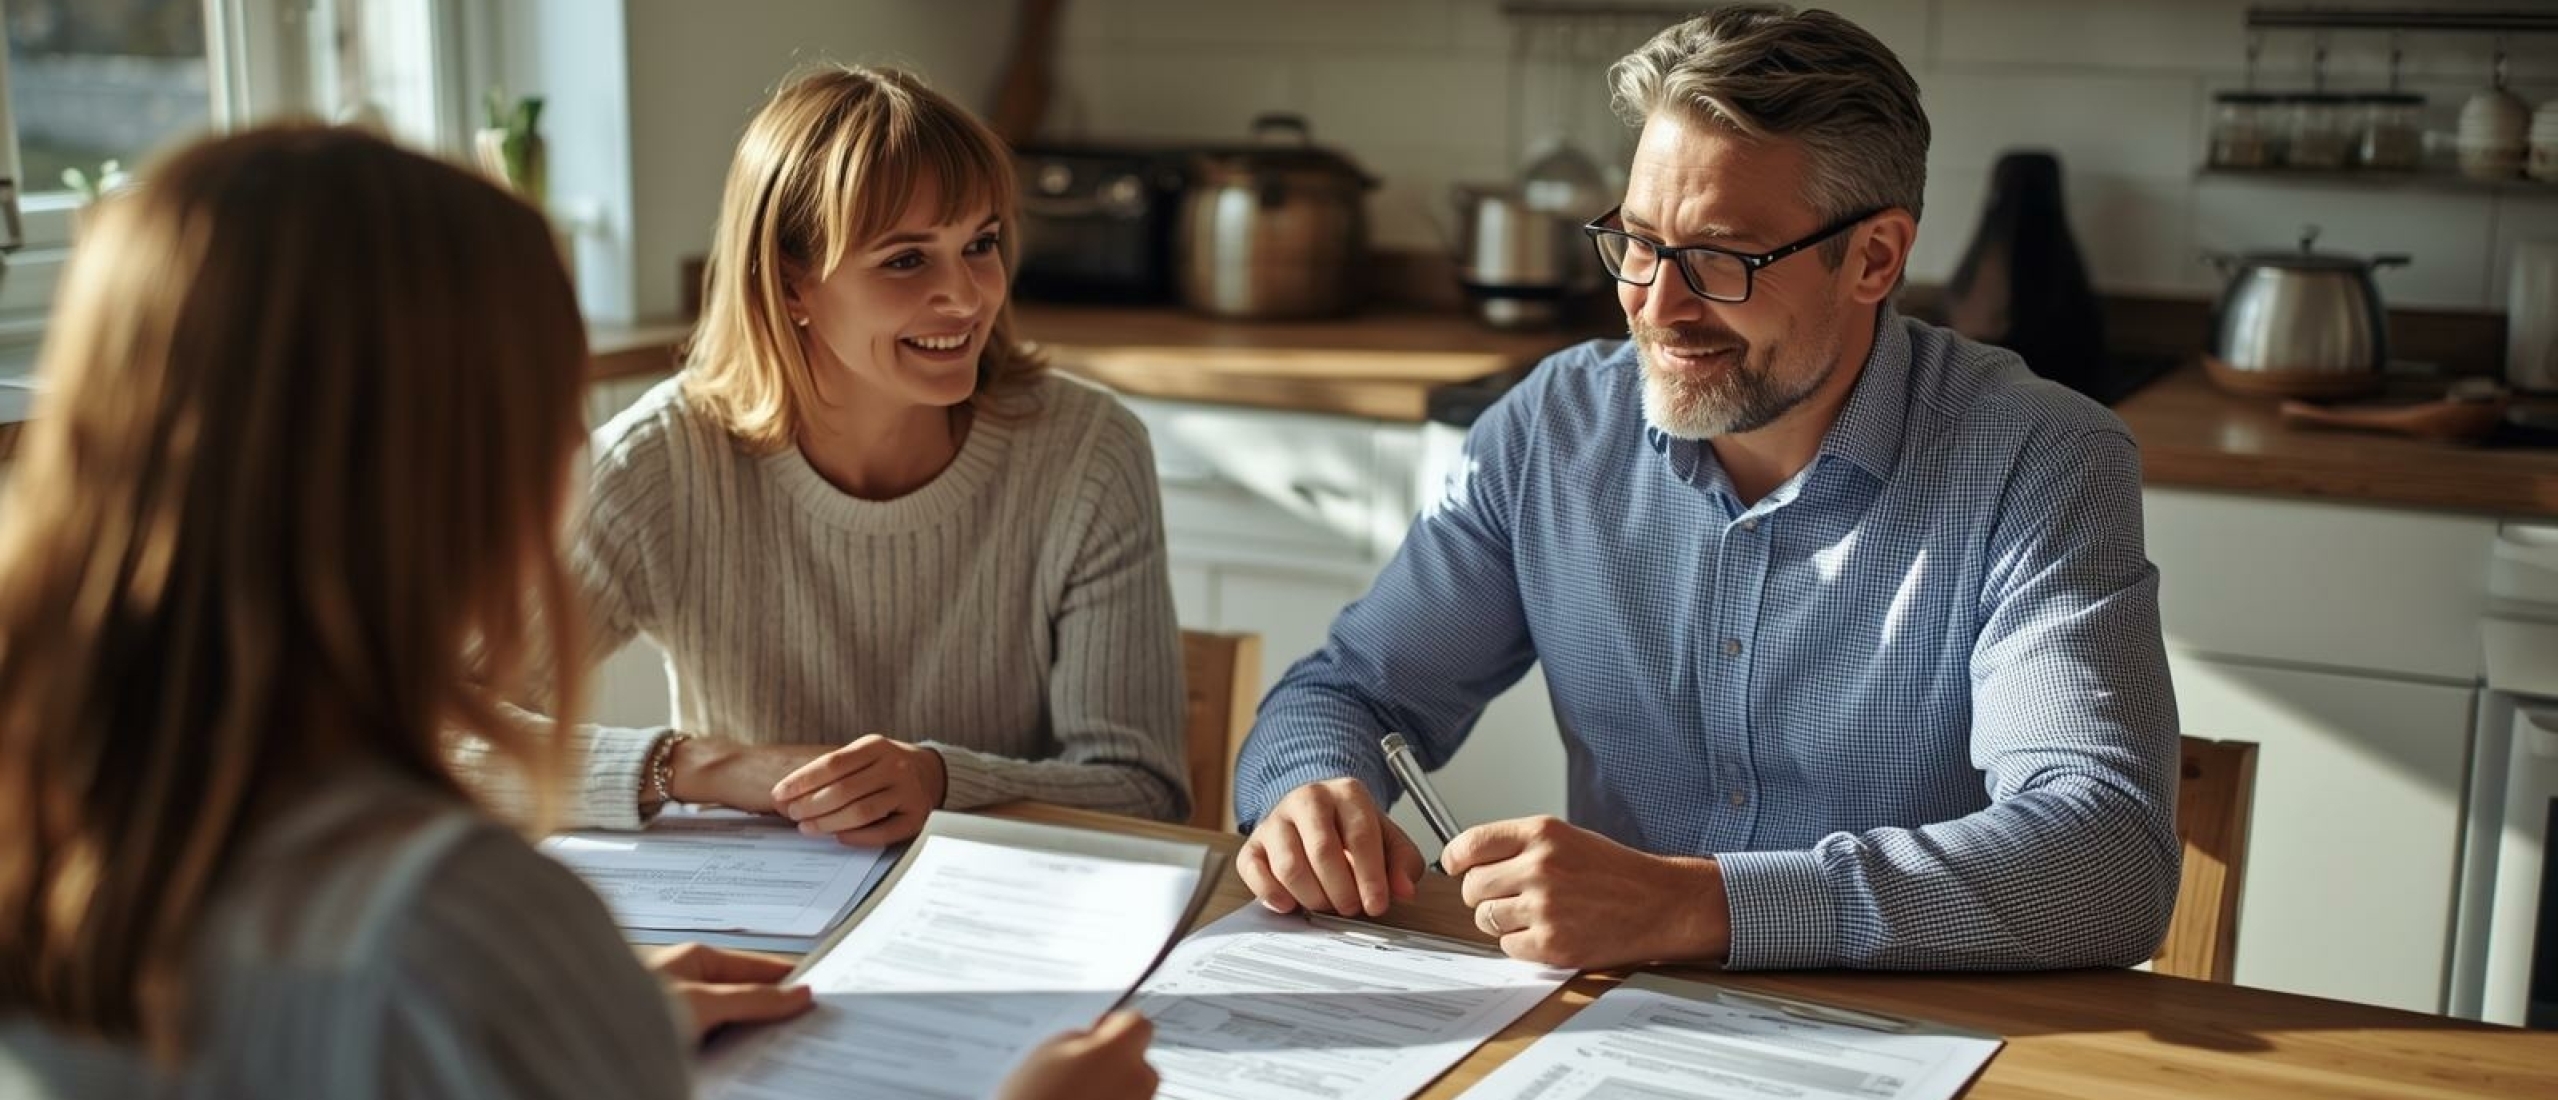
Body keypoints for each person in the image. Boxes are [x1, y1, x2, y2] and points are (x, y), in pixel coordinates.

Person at [0, 125, 1155, 1099]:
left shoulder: (59, 822)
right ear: (421, 465)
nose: (566, 455)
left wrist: (563, 1027)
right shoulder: (459, 921)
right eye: (536, 406)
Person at [1231, 3, 2180, 974]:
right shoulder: (1550, 429)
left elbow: (2103, 855)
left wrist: (1700, 903)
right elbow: (1350, 691)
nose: (1657, 301)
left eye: (1721, 257)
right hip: (1607, 1033)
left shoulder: (2037, 459)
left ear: (1874, 257)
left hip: (1925, 1032)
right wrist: (1311, 789)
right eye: (1637, 240)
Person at [487, 64, 1186, 844]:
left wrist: (938, 780)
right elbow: (425, 737)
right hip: (754, 934)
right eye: (906, 259)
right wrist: (701, 768)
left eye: (980, 243)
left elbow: (1146, 792)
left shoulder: (1087, 452)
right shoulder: (662, 463)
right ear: (790, 285)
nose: (966, 296)